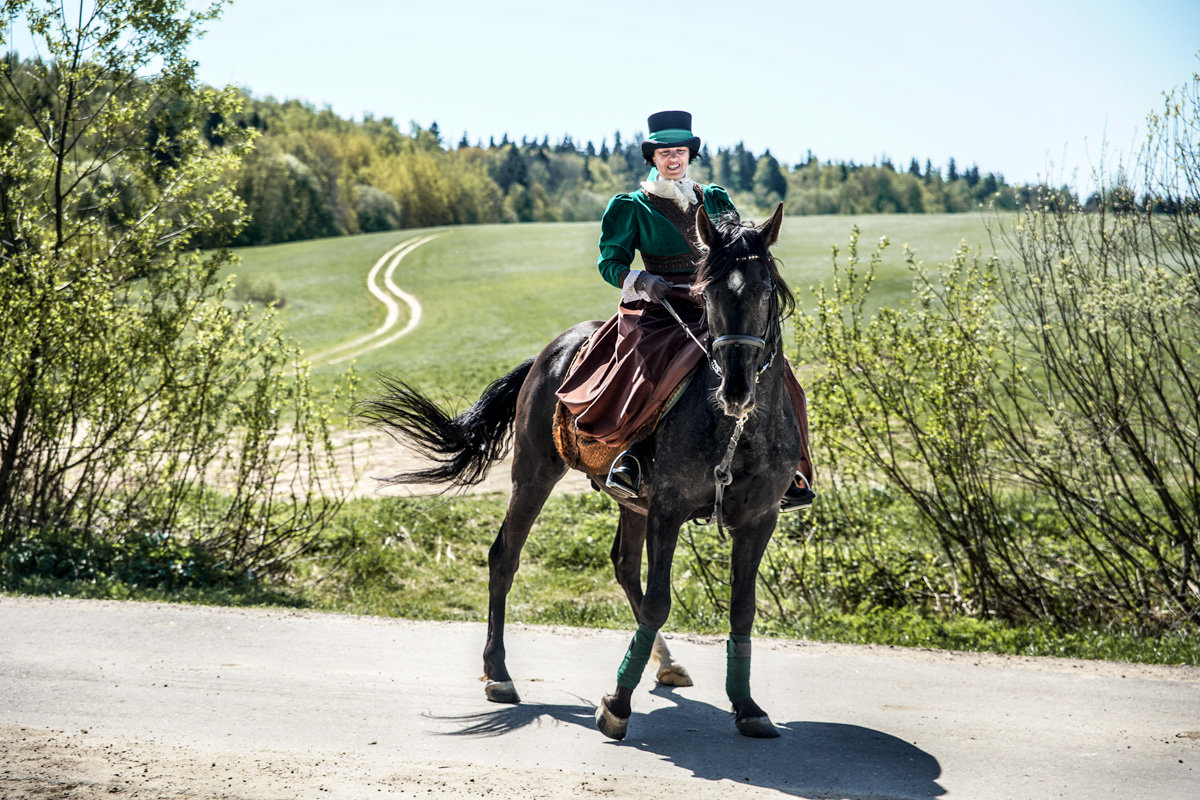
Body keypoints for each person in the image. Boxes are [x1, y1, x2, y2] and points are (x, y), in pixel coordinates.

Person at [556, 110, 814, 512]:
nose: (672, 158)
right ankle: (632, 459)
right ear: (653, 158)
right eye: (664, 153)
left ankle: (790, 469)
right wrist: (643, 281)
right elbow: (610, 263)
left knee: (779, 372)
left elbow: (733, 249)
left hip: (715, 306)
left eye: (679, 151)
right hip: (660, 307)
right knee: (651, 368)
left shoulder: (714, 198)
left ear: (689, 154)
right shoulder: (631, 205)